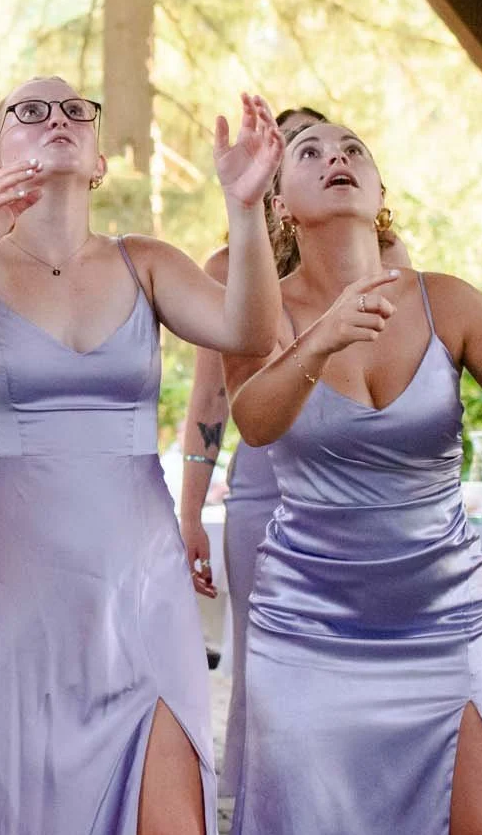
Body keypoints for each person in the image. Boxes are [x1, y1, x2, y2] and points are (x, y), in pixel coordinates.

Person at [0, 79, 282, 835]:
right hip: (7, 587)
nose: (57, 118)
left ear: (99, 160)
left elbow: (250, 330)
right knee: (8, 834)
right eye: (30, 110)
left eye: (74, 109)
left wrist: (245, 212)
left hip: (140, 584)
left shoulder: (146, 262)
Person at [223, 119, 482, 835]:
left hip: (444, 616)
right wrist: (318, 340)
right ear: (282, 202)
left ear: (380, 193)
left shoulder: (448, 301)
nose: (338, 158)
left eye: (353, 149)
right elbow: (254, 420)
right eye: (312, 152)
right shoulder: (262, 306)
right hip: (310, 624)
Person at [174, 105, 409, 800]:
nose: (323, 160)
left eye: (335, 145)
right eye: (296, 148)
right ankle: (271, 811)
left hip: (363, 485)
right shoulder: (226, 265)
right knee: (268, 667)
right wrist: (191, 513)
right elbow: (209, 402)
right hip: (265, 488)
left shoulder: (391, 261)